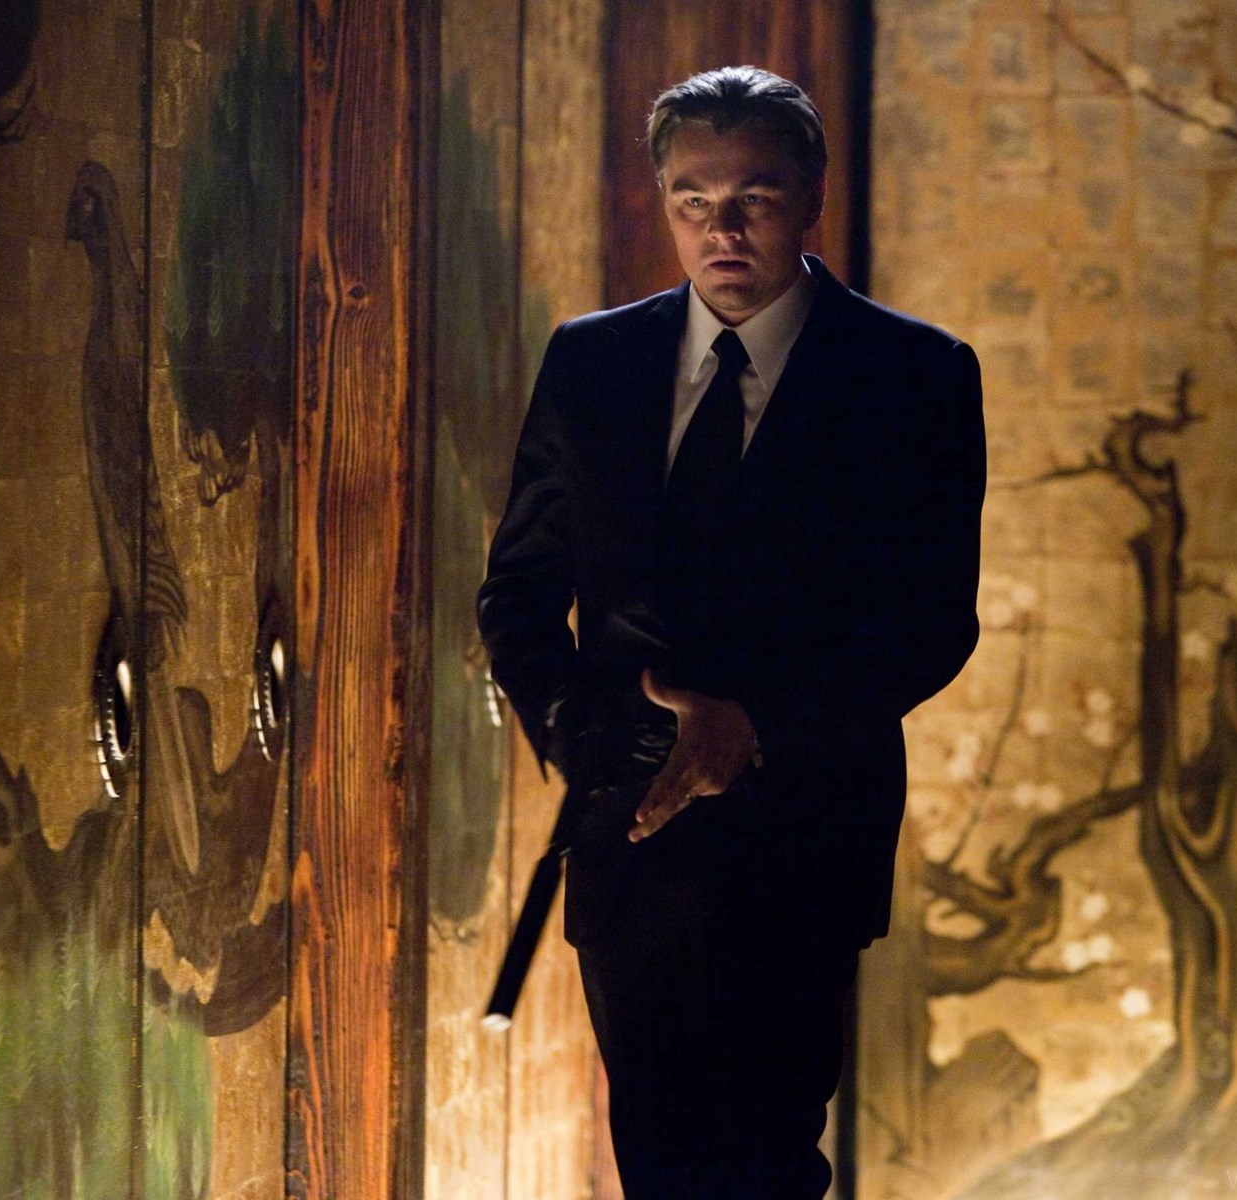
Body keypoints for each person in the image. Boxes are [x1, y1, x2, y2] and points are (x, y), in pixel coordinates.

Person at [476, 65, 985, 1198]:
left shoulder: (915, 375)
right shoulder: (593, 361)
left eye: (754, 196)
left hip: (801, 831)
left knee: (766, 1163)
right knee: (659, 1164)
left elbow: (931, 623)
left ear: (811, 198)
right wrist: (586, 736)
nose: (724, 230)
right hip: (629, 827)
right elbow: (518, 592)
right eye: (694, 201)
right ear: (663, 203)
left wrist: (753, 727)